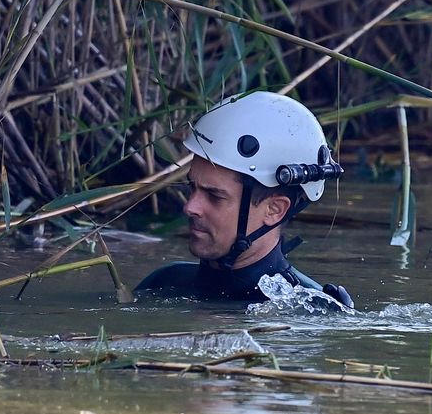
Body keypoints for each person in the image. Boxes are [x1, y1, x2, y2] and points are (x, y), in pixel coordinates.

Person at [137, 91, 354, 307]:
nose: (190, 207)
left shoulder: (308, 315)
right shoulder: (161, 284)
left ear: (274, 210)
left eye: (214, 196)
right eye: (192, 187)